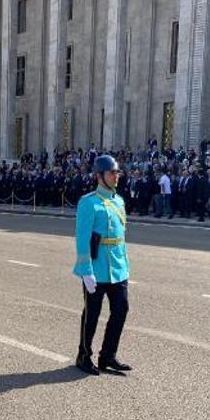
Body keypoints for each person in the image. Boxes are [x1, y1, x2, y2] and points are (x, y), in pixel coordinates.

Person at [72, 155, 132, 376]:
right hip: (96, 269)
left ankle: (107, 355)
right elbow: (82, 239)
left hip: (118, 269)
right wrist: (86, 271)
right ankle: (84, 356)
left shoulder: (119, 201)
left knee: (121, 309)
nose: (116, 177)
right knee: (92, 314)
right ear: (99, 176)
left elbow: (120, 238)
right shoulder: (88, 202)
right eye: (111, 173)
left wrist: (125, 266)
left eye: (117, 172)